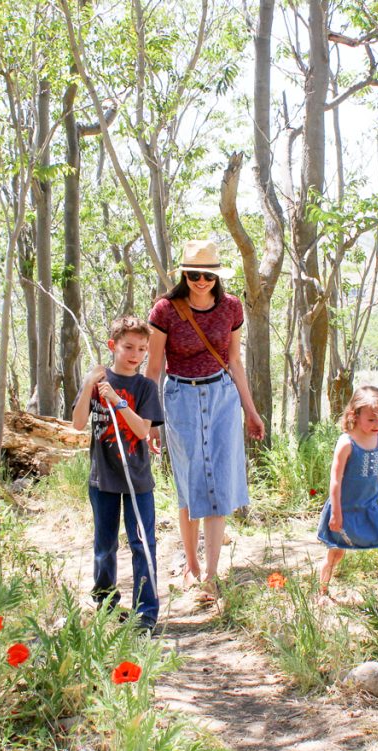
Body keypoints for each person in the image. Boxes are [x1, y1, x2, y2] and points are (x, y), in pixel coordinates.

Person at [146, 239, 265, 601]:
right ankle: (191, 565)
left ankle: (212, 574)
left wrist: (251, 410)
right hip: (180, 396)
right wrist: (151, 420)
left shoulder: (231, 308)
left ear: (217, 276)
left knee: (220, 483)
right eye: (194, 274)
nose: (201, 281)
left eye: (208, 275)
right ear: (184, 274)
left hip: (222, 398)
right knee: (190, 481)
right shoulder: (165, 310)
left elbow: (235, 362)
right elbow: (154, 368)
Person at [72, 316, 165, 632]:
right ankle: (105, 603)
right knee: (105, 544)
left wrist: (118, 402)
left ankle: (146, 612)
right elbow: (78, 424)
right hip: (104, 479)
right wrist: (89, 387)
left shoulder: (145, 387)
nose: (135, 355)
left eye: (142, 349)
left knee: (142, 543)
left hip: (137, 479)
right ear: (113, 346)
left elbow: (142, 430)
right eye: (128, 347)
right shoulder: (98, 382)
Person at [317, 385, 378, 594]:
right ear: (354, 415)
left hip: (370, 507)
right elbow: (335, 480)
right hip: (345, 509)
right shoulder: (347, 442)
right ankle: (322, 591)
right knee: (335, 554)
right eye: (372, 420)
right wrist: (336, 513)